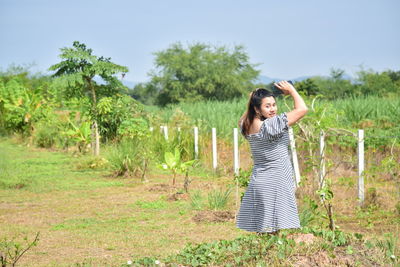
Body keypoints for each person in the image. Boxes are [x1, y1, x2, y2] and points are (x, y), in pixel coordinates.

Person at [236, 80, 308, 234]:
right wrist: (292, 91)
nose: (272, 109)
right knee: (275, 229)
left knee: (265, 229)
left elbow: (246, 113)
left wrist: (254, 99)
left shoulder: (246, 123)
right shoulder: (271, 126)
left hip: (260, 179)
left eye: (274, 104)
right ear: (257, 109)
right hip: (276, 180)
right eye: (267, 106)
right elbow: (302, 109)